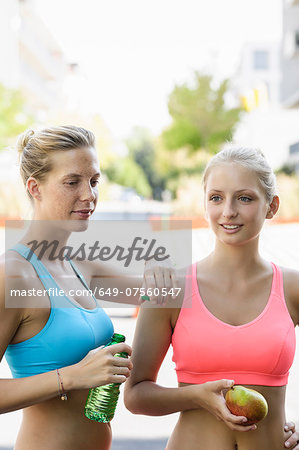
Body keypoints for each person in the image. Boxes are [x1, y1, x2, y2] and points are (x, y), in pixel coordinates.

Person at [0, 125, 176, 450]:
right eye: (72, 182)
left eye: (94, 181)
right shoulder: (14, 275)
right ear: (34, 188)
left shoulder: (79, 262)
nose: (89, 195)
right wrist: (72, 376)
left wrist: (163, 275)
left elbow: (166, 295)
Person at [124, 145, 299, 450]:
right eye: (216, 198)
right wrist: (196, 396)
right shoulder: (170, 287)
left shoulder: (292, 288)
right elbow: (135, 395)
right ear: (205, 205)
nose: (228, 211)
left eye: (244, 198)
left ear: (271, 206)